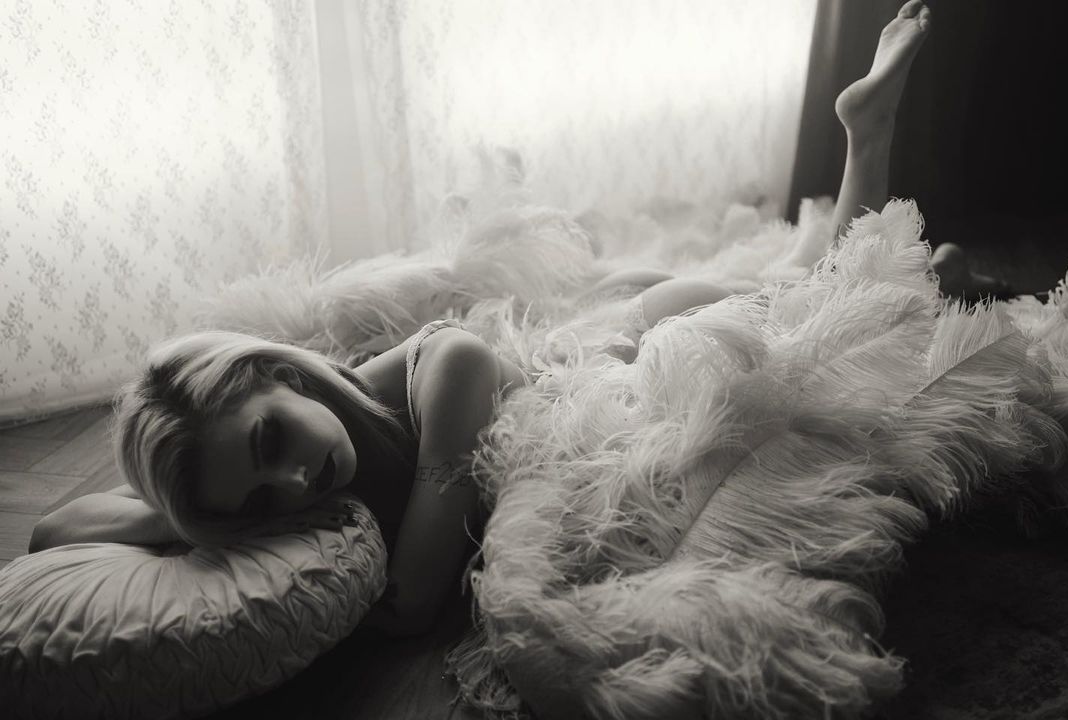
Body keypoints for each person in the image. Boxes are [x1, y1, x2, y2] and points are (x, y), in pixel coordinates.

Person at [30, 0, 1000, 637]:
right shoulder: (296, 476)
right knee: (826, 284)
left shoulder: (444, 370)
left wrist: (209, 531)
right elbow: (55, 527)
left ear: (280, 374)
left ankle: (866, 136)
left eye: (271, 440)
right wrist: (192, 517)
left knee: (825, 302)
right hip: (608, 339)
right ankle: (938, 268)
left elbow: (414, 600)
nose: (291, 482)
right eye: (255, 503)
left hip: (647, 338)